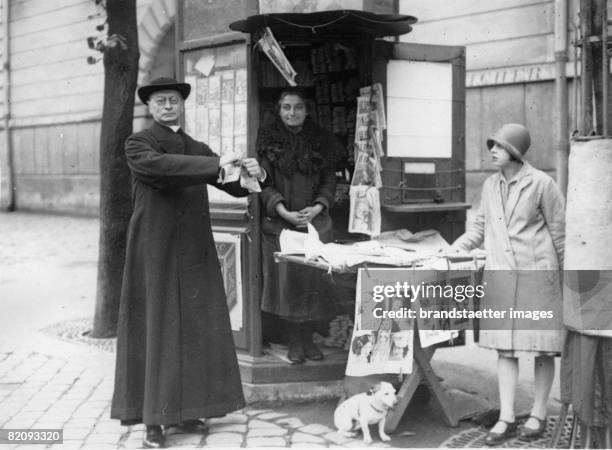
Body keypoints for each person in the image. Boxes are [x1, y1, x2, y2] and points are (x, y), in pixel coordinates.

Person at [110, 77, 266, 449]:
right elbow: (163, 168)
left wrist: (252, 176)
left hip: (193, 248)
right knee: (156, 326)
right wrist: (215, 163)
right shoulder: (139, 143)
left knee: (195, 327)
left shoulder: (196, 147)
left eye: (174, 101)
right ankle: (153, 420)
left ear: (182, 105)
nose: (168, 106)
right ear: (150, 107)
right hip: (155, 247)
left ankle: (190, 408)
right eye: (161, 101)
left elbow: (230, 183)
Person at [450, 123, 565, 445]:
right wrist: (454, 249)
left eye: (498, 146)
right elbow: (479, 229)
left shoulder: (543, 184)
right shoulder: (489, 185)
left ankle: (539, 414)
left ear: (514, 150)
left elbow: (560, 236)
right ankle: (507, 417)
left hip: (538, 278)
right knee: (505, 350)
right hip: (502, 277)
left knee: (543, 350)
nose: (492, 151)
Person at [256, 90, 341, 364]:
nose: (292, 113)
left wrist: (317, 207)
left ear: (306, 111)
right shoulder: (268, 142)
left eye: (298, 108)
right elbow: (262, 184)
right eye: (287, 108)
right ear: (279, 111)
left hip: (314, 222)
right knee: (288, 283)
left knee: (313, 282)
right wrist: (283, 211)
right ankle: (295, 339)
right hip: (281, 224)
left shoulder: (320, 141)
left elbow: (330, 180)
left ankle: (308, 338)